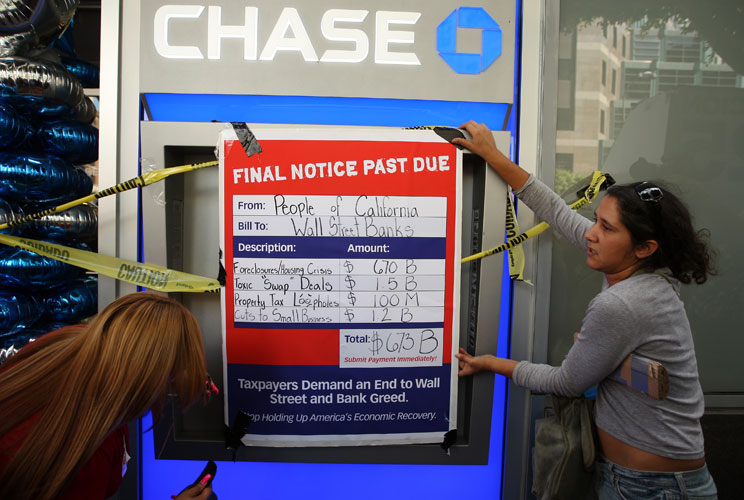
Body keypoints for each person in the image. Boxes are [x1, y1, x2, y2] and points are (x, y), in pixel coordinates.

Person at [452, 121, 718, 499]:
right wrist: (492, 155)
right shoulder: (647, 273)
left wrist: (491, 363)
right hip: (649, 482)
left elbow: (566, 383)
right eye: (596, 220)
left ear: (645, 247)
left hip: (650, 489)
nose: (591, 233)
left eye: (606, 228)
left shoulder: (621, 303)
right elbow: (557, 212)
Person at [0, 292, 215, 500]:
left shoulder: (68, 345)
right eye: (168, 381)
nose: (165, 395)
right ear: (151, 375)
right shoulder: (86, 448)